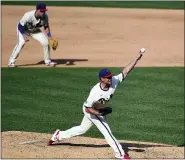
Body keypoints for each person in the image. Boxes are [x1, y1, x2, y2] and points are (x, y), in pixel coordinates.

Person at [48, 48, 146, 159]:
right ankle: (120, 154)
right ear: (101, 79)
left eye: (110, 76)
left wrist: (137, 58)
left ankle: (58, 135)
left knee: (82, 129)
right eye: (107, 77)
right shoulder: (95, 92)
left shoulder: (114, 81)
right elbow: (87, 108)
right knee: (106, 130)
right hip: (90, 110)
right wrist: (99, 113)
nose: (110, 78)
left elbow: (126, 71)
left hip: (97, 110)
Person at [8, 2, 58, 67]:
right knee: (21, 43)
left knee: (46, 43)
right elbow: (20, 26)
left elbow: (46, 27)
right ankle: (11, 62)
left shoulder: (45, 16)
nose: (43, 12)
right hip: (24, 30)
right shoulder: (28, 15)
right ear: (37, 10)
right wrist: (24, 35)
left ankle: (47, 61)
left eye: (44, 11)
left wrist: (50, 37)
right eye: (42, 11)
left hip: (35, 31)